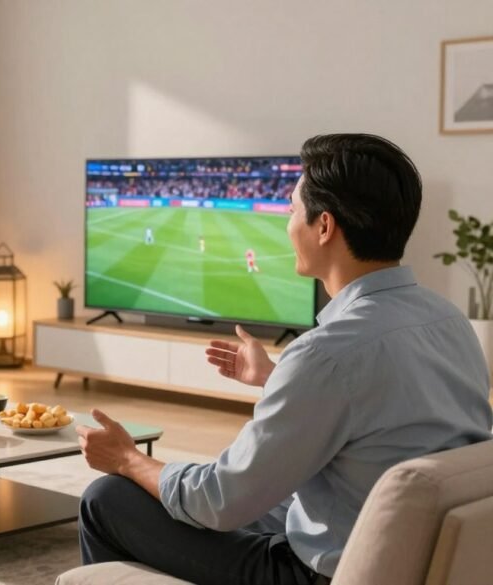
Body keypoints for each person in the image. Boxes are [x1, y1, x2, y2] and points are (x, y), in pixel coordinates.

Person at [75, 134, 493, 585]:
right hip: (406, 551)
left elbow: (220, 500)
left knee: (107, 499)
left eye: (292, 210)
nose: (287, 223)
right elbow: (388, 409)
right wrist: (278, 378)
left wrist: (127, 459)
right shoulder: (450, 321)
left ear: (325, 226)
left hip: (323, 571)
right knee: (263, 498)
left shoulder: (326, 353)